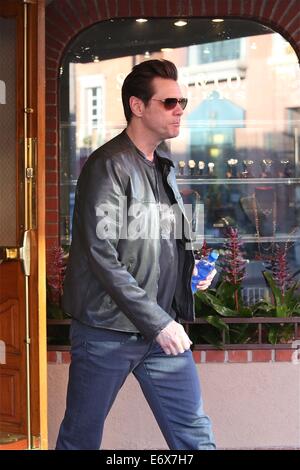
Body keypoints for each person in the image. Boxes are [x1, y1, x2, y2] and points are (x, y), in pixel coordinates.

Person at [56, 59, 216, 450]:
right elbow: (102, 254)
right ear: (138, 106)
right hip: (107, 331)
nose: (179, 109)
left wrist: (192, 272)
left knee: (194, 434)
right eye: (169, 102)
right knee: (81, 439)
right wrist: (159, 323)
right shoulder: (109, 165)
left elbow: (162, 239)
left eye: (183, 101)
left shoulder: (162, 166)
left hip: (160, 331)